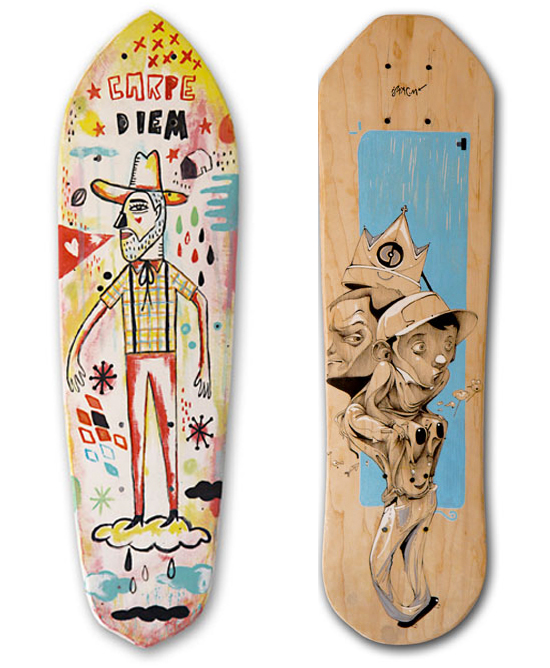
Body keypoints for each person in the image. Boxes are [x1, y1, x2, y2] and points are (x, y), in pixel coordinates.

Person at [66, 151, 211, 528]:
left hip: (165, 359)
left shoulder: (168, 273)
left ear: (159, 216)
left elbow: (201, 300)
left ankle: (175, 511)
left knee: (168, 432)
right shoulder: (127, 278)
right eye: (124, 211)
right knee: (137, 434)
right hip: (134, 362)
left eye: (136, 209)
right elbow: (97, 312)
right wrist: (74, 354)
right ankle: (139, 513)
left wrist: (204, 365)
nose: (122, 222)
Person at [341, 291, 476, 626]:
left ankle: (418, 604)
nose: (441, 359)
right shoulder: (384, 375)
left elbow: (420, 409)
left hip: (418, 493)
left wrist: (419, 424)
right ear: (386, 353)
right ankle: (407, 608)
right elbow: (362, 412)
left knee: (407, 554)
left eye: (448, 346)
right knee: (390, 558)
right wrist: (391, 431)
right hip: (381, 439)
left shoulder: (440, 379)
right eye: (420, 347)